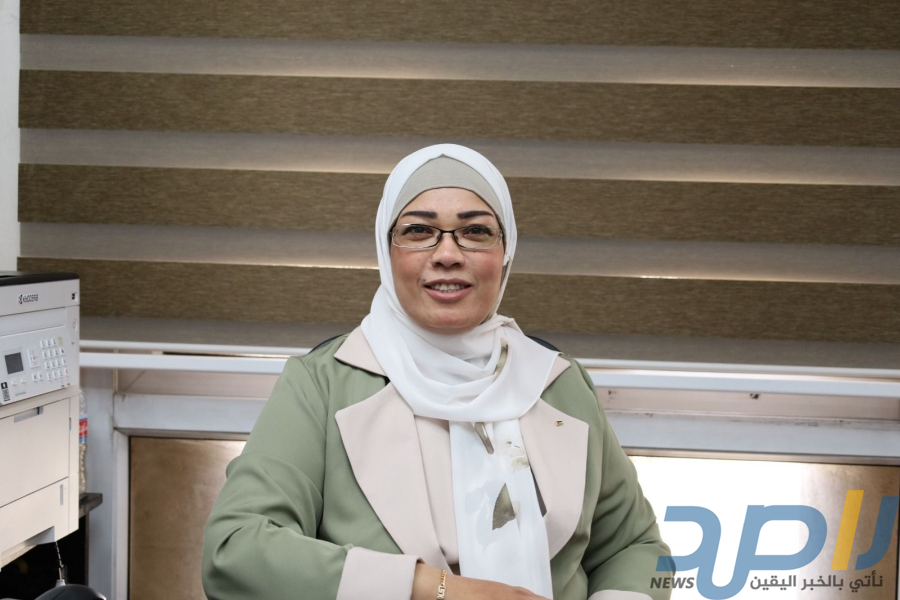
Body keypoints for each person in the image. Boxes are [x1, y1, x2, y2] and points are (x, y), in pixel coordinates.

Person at [202, 144, 671, 600]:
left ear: (506, 252)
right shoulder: (324, 383)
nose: (448, 253)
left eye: (477, 231)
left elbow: (637, 547)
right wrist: (434, 589)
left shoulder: (557, 382)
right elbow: (237, 550)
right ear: (386, 250)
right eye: (419, 230)